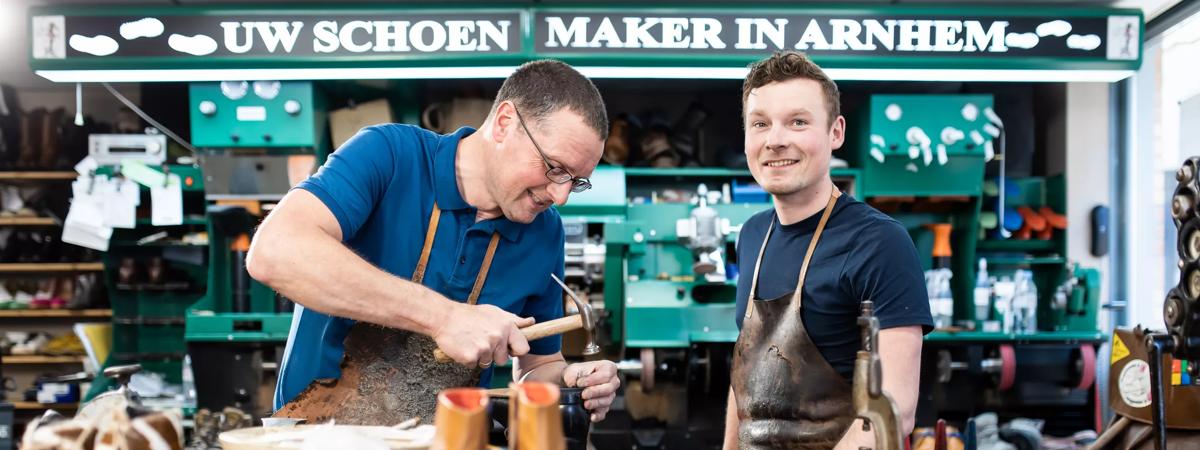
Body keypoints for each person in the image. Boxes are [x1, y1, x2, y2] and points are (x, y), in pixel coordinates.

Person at [247, 59, 620, 422]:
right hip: (316, 438)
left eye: (576, 181)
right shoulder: (390, 155)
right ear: (506, 123)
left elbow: (536, 366)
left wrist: (569, 380)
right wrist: (445, 318)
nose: (561, 196)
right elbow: (275, 251)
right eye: (555, 168)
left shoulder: (545, 232)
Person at [722, 51, 933, 449]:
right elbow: (747, 378)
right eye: (760, 124)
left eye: (798, 122)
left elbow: (895, 408)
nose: (776, 140)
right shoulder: (752, 236)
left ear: (835, 133)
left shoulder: (879, 243)